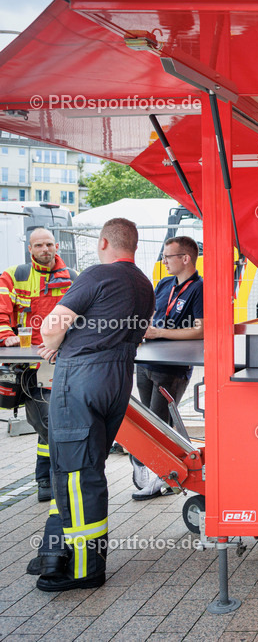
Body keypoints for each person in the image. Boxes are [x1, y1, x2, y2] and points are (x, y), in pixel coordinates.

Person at [32, 218, 155, 592]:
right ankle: (56, 552)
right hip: (117, 378)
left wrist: (52, 340)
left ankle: (85, 568)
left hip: (82, 377)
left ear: (103, 242)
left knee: (75, 472)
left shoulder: (97, 274)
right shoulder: (143, 284)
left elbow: (54, 324)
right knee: (79, 467)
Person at [0, 228, 77, 502]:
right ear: (30, 249)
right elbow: (1, 310)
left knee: (55, 421)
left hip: (64, 362)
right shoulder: (14, 276)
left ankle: (49, 478)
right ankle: (50, 478)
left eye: (49, 244)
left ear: (56, 246)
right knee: (47, 421)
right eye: (39, 245)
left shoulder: (73, 278)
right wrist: (6, 335)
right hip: (31, 366)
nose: (45, 249)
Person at [131, 236, 203, 501]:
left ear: (185, 259)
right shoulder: (163, 284)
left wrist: (160, 333)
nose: (164, 261)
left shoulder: (200, 288)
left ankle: (160, 477)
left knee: (159, 423)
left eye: (167, 257)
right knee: (149, 419)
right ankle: (153, 470)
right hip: (148, 359)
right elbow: (152, 315)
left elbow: (200, 330)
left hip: (171, 366)